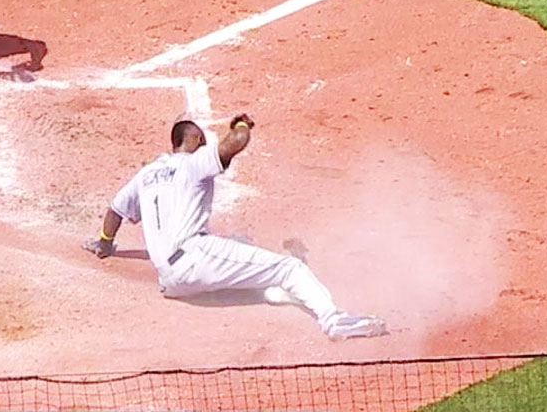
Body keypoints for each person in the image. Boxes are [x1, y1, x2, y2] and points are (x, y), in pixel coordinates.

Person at [81, 113, 387, 341]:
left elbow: (115, 211)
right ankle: (333, 320)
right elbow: (235, 143)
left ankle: (275, 293)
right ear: (196, 140)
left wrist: (105, 243)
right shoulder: (193, 161)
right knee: (291, 268)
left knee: (240, 244)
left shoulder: (146, 174)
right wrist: (242, 125)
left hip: (171, 284)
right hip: (196, 259)